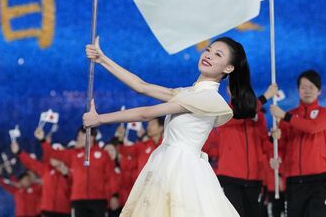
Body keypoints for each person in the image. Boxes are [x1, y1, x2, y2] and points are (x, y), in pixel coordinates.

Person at [83, 36, 258, 216]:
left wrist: (99, 119)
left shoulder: (208, 98)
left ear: (228, 68)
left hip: (182, 169)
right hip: (166, 162)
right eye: (208, 50)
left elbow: (147, 113)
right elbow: (141, 86)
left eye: (217, 54)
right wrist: (102, 59)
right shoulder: (187, 93)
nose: (208, 55)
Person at [269, 69, 326, 217]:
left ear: (319, 91)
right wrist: (276, 156)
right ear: (298, 90)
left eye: (311, 87)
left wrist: (285, 116)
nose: (307, 91)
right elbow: (281, 145)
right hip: (293, 181)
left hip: (318, 180)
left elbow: (312, 128)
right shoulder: (289, 116)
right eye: (303, 87)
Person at [204, 83, 278, 217]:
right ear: (228, 90)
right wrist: (266, 96)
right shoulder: (223, 111)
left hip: (255, 178)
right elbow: (241, 114)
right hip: (230, 177)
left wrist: (272, 140)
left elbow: (263, 143)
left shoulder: (258, 115)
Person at [43, 126, 118, 217]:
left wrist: (114, 195)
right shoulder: (73, 154)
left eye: (81, 135)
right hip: (78, 201)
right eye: (78, 136)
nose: (78, 138)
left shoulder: (103, 155)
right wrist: (42, 141)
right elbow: (54, 153)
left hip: (98, 200)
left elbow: (111, 176)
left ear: (91, 137)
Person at [11, 128, 72, 217]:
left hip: (64, 211)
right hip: (47, 211)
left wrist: (66, 174)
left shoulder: (70, 170)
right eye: (53, 155)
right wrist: (19, 152)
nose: (54, 157)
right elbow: (31, 163)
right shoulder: (46, 169)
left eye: (57, 154)